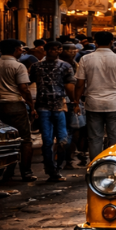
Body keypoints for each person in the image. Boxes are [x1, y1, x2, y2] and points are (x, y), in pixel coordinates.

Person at [74, 31, 116, 160]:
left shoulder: (85, 59)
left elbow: (80, 84)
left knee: (95, 138)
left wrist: (76, 102)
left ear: (95, 43)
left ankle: (95, 166)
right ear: (111, 42)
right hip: (115, 104)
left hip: (93, 104)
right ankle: (114, 166)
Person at [28, 42, 76, 182]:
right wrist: (74, 101)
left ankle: (55, 168)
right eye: (53, 49)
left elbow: (29, 82)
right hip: (49, 106)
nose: (56, 51)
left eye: (58, 49)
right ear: (46, 50)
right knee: (51, 140)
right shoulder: (39, 66)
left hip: (55, 106)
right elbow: (69, 86)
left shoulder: (62, 66)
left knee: (59, 139)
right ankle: (52, 169)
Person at [0, 39, 38, 181]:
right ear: (16, 49)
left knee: (5, 139)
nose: (22, 52)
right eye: (20, 49)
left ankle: (7, 171)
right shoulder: (18, 66)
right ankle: (26, 171)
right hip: (14, 105)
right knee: (25, 139)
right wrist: (31, 106)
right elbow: (23, 89)